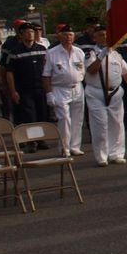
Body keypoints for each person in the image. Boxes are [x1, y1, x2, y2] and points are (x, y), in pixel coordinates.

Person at [84, 26, 127, 166]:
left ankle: (117, 153)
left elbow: (126, 73)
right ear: (95, 38)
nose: (105, 37)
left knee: (117, 124)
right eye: (101, 35)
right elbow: (91, 71)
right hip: (96, 93)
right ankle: (101, 156)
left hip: (114, 93)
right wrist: (101, 56)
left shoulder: (116, 54)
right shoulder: (91, 54)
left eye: (106, 35)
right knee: (100, 125)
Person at [42, 24, 86, 157]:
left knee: (77, 119)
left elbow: (83, 71)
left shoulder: (79, 52)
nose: (68, 37)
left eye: (70, 35)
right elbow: (46, 75)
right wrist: (49, 93)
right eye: (65, 34)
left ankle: (75, 146)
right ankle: (64, 147)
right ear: (59, 36)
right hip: (60, 89)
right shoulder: (52, 53)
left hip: (77, 87)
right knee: (64, 119)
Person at [3, 22, 49, 144]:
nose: (30, 34)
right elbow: (9, 73)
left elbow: (47, 69)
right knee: (30, 116)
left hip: (40, 87)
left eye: (32, 32)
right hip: (24, 89)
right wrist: (13, 91)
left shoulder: (42, 49)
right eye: (27, 32)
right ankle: (31, 141)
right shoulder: (15, 52)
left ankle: (41, 140)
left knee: (41, 114)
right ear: (21, 35)